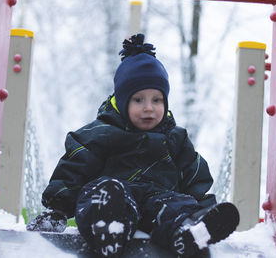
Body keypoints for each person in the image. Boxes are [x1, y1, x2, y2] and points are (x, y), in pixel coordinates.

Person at [27, 34, 240, 257]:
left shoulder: (175, 138)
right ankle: (108, 230)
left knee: (178, 204)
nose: (149, 108)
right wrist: (58, 210)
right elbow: (74, 169)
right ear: (122, 101)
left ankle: (190, 230)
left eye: (156, 100)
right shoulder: (100, 133)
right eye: (138, 100)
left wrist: (203, 209)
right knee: (100, 192)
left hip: (158, 203)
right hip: (114, 199)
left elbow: (194, 175)